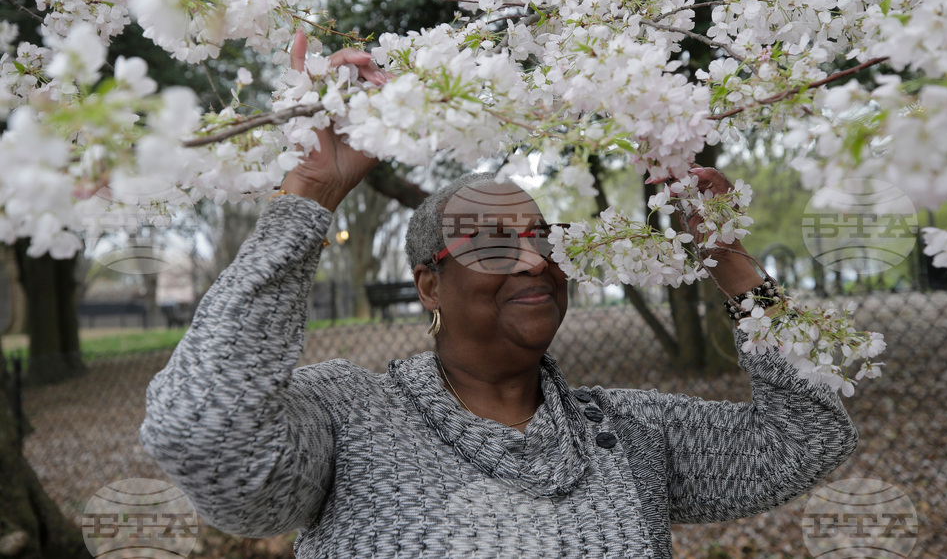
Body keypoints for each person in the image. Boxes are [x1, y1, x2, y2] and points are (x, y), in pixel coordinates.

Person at [140, 36, 858, 558]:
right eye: (488, 241)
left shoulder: (632, 432)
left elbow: (807, 440)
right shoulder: (348, 420)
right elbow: (200, 430)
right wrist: (310, 196)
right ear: (430, 283)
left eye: (544, 237)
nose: (531, 260)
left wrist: (730, 263)